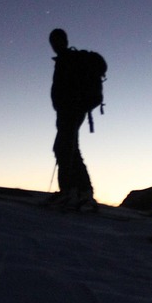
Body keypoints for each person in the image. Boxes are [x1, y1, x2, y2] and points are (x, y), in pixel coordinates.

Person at [48, 27, 99, 210]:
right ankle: (80, 192)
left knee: (64, 148)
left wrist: (68, 106)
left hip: (71, 112)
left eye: (57, 41)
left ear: (64, 41)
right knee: (69, 149)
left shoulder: (69, 60)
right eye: (53, 42)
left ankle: (72, 192)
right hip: (69, 112)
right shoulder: (65, 60)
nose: (55, 45)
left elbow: (67, 89)